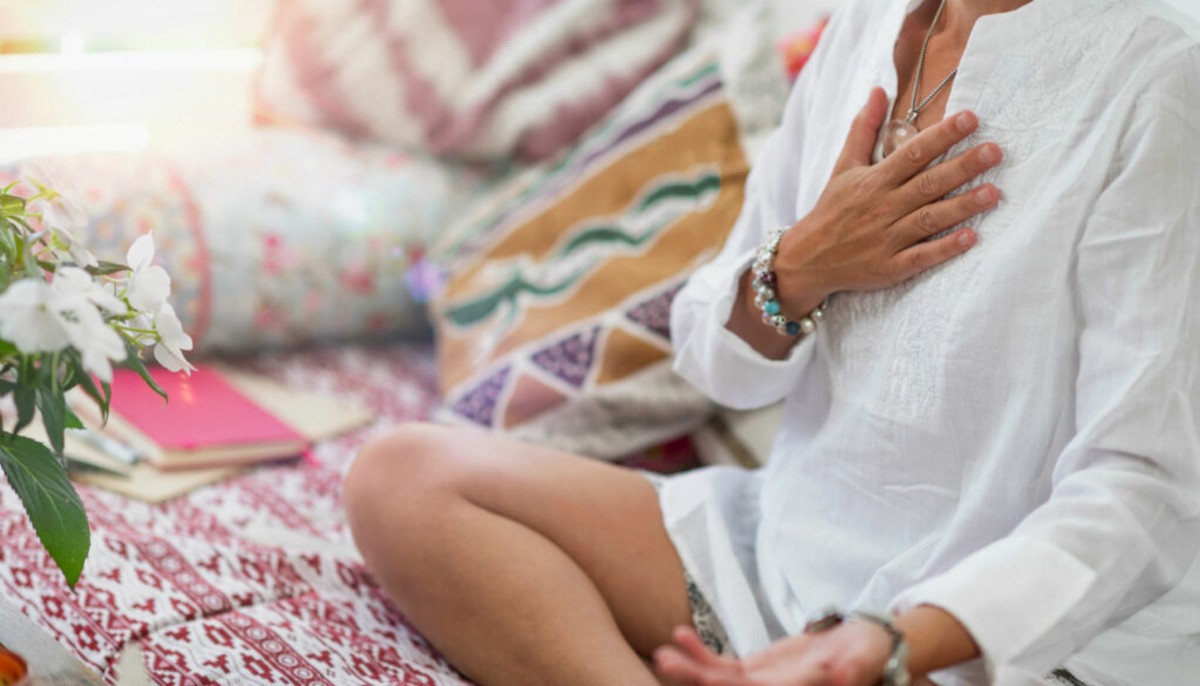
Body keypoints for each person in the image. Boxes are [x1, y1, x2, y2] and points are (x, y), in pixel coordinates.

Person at [343, 0, 1200, 684]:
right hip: (785, 541)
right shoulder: (868, 25)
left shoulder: (1162, 77)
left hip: (995, 642)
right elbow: (711, 360)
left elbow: (1145, 495)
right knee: (402, 477)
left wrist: (887, 645)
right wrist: (797, 267)